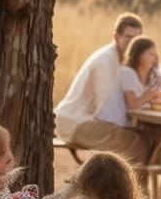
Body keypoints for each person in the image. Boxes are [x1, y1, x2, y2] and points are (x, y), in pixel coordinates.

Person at [54, 12, 143, 151]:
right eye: (128, 37)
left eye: (137, 39)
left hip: (90, 120)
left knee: (146, 138)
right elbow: (104, 108)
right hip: (77, 122)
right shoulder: (105, 60)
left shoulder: (127, 61)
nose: (132, 43)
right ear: (116, 37)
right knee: (135, 143)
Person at [92, 36, 161, 165]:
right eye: (150, 54)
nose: (154, 57)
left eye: (155, 54)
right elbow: (133, 105)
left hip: (124, 124)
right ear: (138, 54)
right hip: (110, 124)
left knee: (152, 138)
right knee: (142, 142)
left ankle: (146, 177)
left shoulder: (152, 76)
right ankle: (138, 178)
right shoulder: (127, 73)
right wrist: (149, 95)